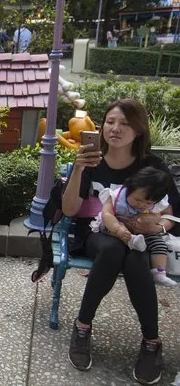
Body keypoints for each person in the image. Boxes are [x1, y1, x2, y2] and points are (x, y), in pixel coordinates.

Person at [62, 99, 180, 384]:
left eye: (125, 123)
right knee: (114, 247)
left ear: (138, 131)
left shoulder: (152, 167)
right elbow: (69, 210)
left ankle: (151, 341)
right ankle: (82, 327)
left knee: (136, 255)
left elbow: (172, 212)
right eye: (110, 122)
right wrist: (78, 170)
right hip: (95, 232)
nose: (115, 129)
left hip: (141, 238)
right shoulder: (91, 161)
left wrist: (157, 227)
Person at [90, 166, 177, 287]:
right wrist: (118, 229)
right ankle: (130, 240)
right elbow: (107, 214)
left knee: (159, 244)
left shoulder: (156, 203)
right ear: (129, 188)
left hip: (140, 231)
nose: (141, 205)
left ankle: (159, 272)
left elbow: (158, 215)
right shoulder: (115, 196)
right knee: (108, 225)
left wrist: (151, 221)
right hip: (114, 225)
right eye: (138, 200)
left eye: (148, 203)